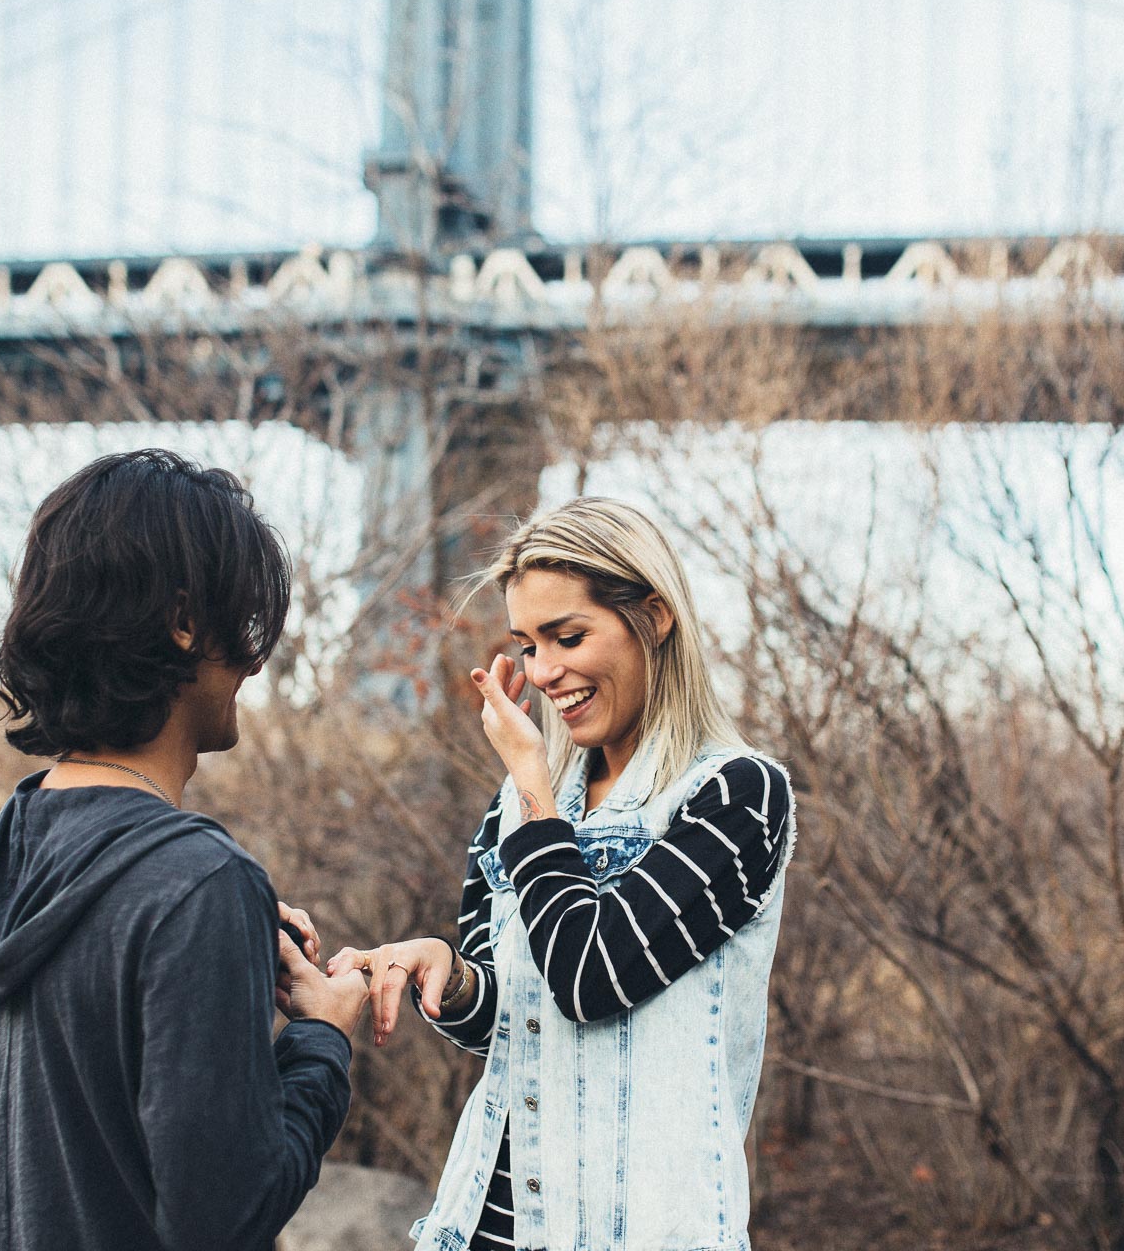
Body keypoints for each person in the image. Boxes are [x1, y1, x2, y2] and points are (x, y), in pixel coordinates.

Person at [332, 497, 797, 1251]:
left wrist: (535, 794)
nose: (545, 673)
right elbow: (518, 1024)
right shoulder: (521, 801)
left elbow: (592, 978)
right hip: (478, 1225)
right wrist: (449, 976)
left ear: (655, 616)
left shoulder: (735, 795)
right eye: (527, 645)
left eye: (568, 636)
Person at [0, 448, 369, 1251]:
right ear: (184, 622)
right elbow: (226, 1218)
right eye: (243, 622)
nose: (253, 661)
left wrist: (221, 938)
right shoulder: (197, 882)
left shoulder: (5, 848)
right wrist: (324, 1036)